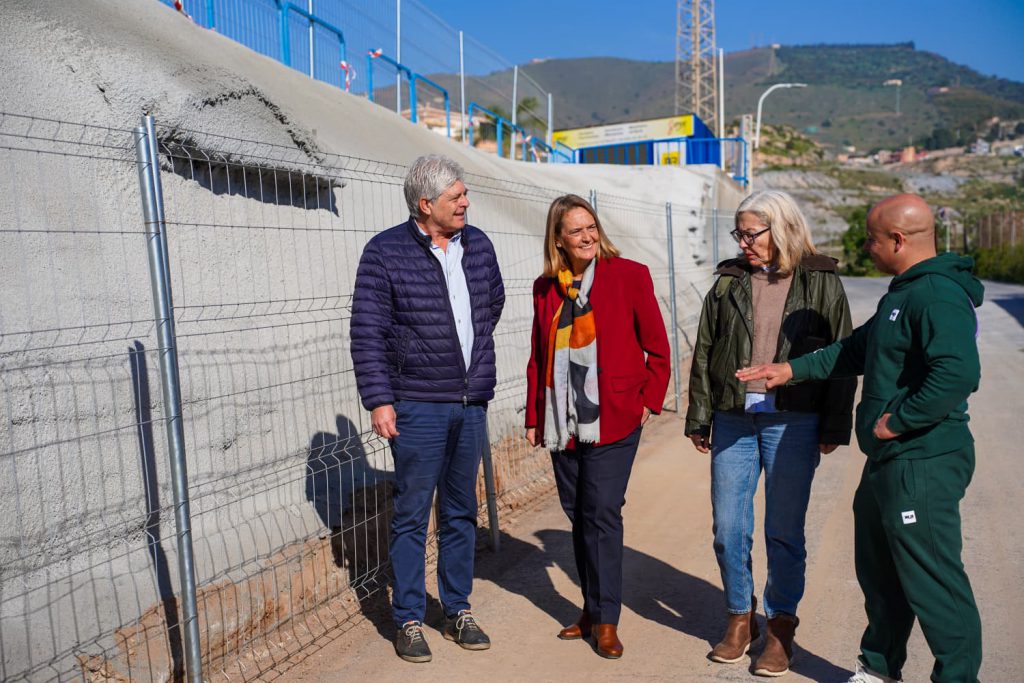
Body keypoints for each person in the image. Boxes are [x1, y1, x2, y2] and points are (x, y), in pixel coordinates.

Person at [737, 194, 983, 683]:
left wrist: (899, 419)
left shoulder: (937, 295)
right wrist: (790, 368)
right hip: (889, 461)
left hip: (922, 460)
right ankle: (879, 666)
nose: (866, 247)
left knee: (931, 577)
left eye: (871, 239)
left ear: (898, 239)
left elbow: (958, 372)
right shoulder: (903, 292)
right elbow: (854, 350)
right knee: (880, 572)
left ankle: (956, 676)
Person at [685, 190, 856, 677]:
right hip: (734, 416)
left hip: (794, 420)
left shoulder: (821, 279)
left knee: (783, 530)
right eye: (738, 233)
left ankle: (780, 626)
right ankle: (741, 617)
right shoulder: (729, 280)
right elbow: (705, 350)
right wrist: (700, 416)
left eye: (750, 233)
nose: (743, 242)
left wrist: (835, 423)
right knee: (728, 527)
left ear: (780, 228)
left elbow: (843, 355)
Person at [350, 154, 505, 664]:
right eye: (456, 196)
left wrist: (471, 358)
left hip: (469, 402)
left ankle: (457, 609)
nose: (466, 202)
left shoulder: (477, 245)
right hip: (417, 405)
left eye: (464, 194)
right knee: (414, 515)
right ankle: (409, 618)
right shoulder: (384, 252)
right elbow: (367, 331)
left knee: (462, 511)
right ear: (425, 204)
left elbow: (492, 302)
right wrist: (379, 399)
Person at [524, 194, 670, 659]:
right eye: (576, 230)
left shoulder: (630, 275)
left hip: (616, 415)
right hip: (562, 420)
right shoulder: (546, 288)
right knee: (578, 513)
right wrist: (534, 415)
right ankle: (591, 607)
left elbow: (658, 346)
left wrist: (649, 397)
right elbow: (538, 356)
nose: (587, 236)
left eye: (591, 227)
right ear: (559, 240)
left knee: (602, 512)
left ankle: (607, 620)